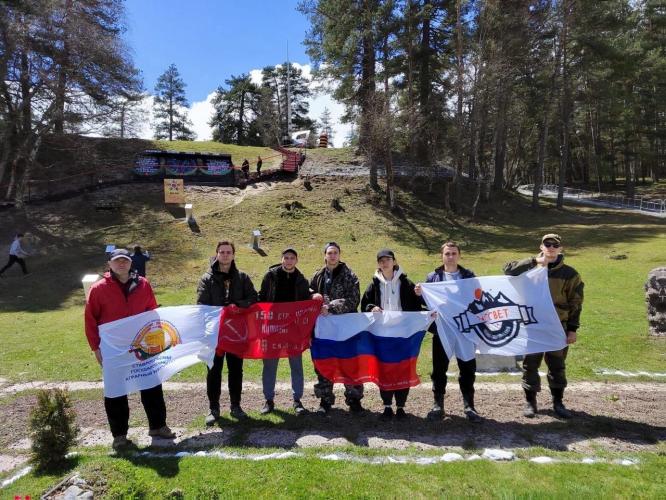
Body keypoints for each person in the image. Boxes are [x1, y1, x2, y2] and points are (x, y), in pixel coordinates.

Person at [84, 249, 175, 450]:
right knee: (116, 392)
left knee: (151, 385)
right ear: (110, 264)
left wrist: (157, 339)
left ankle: (158, 426)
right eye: (117, 261)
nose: (121, 264)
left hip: (142, 346)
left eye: (125, 260)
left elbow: (152, 312)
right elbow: (90, 320)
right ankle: (119, 435)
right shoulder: (98, 289)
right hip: (113, 350)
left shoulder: (143, 284)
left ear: (131, 262)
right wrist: (95, 348)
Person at [503, 233, 584, 419]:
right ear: (541, 247)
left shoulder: (569, 274)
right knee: (530, 365)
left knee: (557, 365)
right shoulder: (529, 268)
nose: (551, 247)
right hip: (533, 325)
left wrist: (572, 329)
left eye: (555, 245)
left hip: (557, 326)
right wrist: (534, 262)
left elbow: (576, 302)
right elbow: (508, 271)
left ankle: (558, 402)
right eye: (547, 244)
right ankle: (530, 402)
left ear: (560, 249)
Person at [415, 241, 482, 423]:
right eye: (447, 253)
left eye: (453, 253)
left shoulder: (469, 276)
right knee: (439, 369)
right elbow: (425, 306)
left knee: (467, 369)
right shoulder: (433, 277)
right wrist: (420, 294)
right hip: (443, 330)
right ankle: (438, 406)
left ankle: (469, 406)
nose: (450, 256)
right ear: (442, 256)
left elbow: (479, 298)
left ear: (459, 255)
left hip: (465, 330)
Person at [197, 240, 258, 424]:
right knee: (213, 370)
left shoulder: (242, 277)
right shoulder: (206, 278)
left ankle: (236, 406)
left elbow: (253, 298)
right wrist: (219, 311)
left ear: (233, 255)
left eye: (228, 252)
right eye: (222, 252)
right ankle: (213, 408)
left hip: (236, 333)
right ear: (216, 254)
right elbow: (201, 305)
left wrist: (237, 305)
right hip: (214, 333)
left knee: (236, 370)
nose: (225, 255)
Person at [361, 249, 422, 422]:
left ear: (394, 262)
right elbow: (364, 304)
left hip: (404, 335)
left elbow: (418, 307)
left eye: (387, 259)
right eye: (381, 260)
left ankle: (401, 407)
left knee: (403, 369)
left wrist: (420, 295)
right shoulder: (373, 284)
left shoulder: (407, 283)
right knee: (384, 370)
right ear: (378, 264)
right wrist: (371, 307)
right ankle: (387, 406)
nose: (384, 263)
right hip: (382, 335)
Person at [258, 247, 317, 416]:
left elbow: (306, 303)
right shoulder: (270, 276)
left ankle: (297, 400)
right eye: (286, 257)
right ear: (281, 259)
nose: (289, 260)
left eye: (292, 258)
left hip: (294, 330)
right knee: (270, 365)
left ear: (296, 261)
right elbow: (262, 298)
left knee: (296, 364)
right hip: (272, 328)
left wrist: (314, 297)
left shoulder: (301, 279)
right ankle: (268, 400)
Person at [310, 242, 361, 414]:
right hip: (324, 331)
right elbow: (308, 297)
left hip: (346, 329)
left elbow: (353, 300)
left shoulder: (350, 275)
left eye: (335, 253)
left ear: (339, 255)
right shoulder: (317, 276)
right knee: (324, 363)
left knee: (350, 364)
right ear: (324, 255)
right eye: (329, 253)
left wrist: (330, 307)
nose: (332, 256)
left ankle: (354, 400)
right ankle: (325, 400)